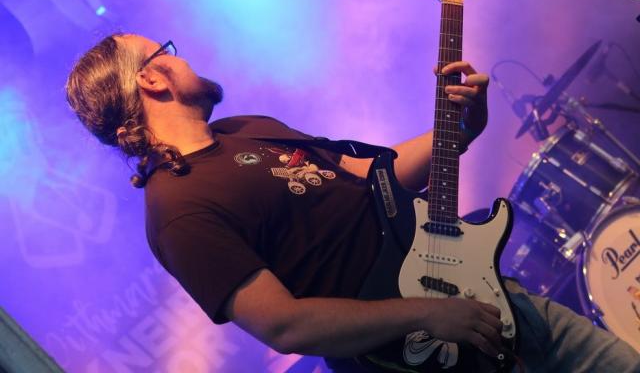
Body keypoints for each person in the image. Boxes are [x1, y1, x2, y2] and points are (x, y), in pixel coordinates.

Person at [65, 34, 640, 372]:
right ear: (152, 80)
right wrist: (427, 314)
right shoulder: (178, 210)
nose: (181, 55)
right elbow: (284, 325)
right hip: (423, 353)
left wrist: (460, 130)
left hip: (494, 304)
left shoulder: (245, 128)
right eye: (165, 50)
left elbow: (375, 174)